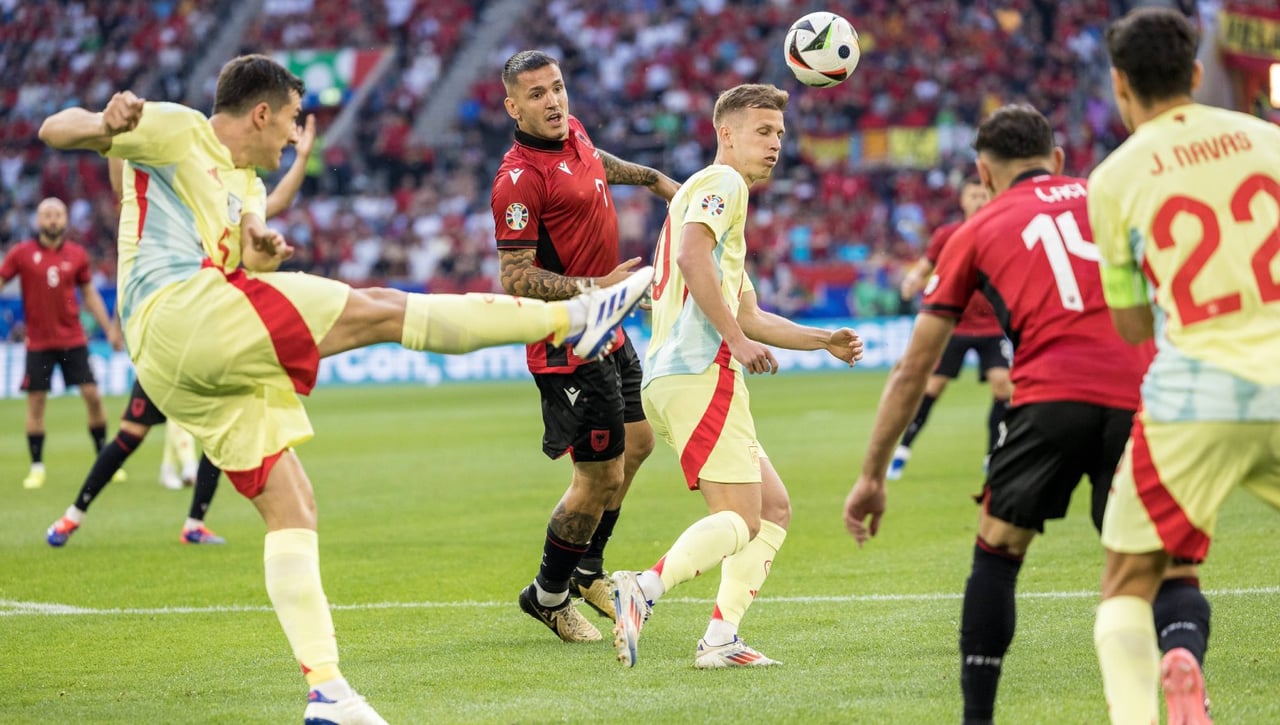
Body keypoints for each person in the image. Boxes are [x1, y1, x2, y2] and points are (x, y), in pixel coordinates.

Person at [39, 53, 652, 723]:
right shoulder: (180, 129)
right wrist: (105, 118)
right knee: (381, 310)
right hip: (181, 315)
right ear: (263, 112)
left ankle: (328, 691)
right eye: (294, 122)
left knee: (292, 502)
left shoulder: (243, 183)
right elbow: (55, 129)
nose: (295, 137)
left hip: (178, 361)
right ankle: (576, 315)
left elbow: (245, 244)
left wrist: (261, 251)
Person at [842, 104, 1211, 725]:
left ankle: (978, 718)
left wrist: (873, 475)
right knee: (1168, 563)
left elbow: (913, 369)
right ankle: (1181, 656)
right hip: (1144, 395)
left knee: (999, 549)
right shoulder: (1112, 196)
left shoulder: (977, 229)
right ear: (1059, 160)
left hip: (1047, 397)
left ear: (984, 174)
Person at [608, 83, 862, 669]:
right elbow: (694, 262)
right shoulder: (722, 184)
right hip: (703, 371)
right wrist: (736, 341)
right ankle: (642, 590)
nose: (776, 144)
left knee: (772, 509)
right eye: (762, 132)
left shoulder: (700, 196)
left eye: (779, 133)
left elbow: (747, 311)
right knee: (742, 518)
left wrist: (823, 340)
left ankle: (721, 639)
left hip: (676, 376)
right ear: (727, 134)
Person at [1089, 9, 1279, 724]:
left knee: (1128, 582)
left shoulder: (1112, 179)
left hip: (1195, 393)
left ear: (1120, 85)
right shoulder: (1270, 142)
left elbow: (1133, 323)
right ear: (1197, 74)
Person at [44, 119, 322, 549]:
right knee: (131, 436)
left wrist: (301, 158)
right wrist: (116, 136)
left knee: (217, 435)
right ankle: (72, 515)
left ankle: (193, 522)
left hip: (215, 329)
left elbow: (275, 202)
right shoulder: (166, 212)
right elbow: (120, 178)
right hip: (173, 333)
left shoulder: (238, 201)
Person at [491, 50, 680, 642]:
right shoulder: (517, 180)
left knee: (641, 442)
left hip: (611, 325)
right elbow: (515, 275)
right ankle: (548, 595)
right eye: (537, 94)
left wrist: (651, 179)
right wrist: (595, 286)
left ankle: (589, 570)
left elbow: (596, 165)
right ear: (513, 106)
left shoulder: (572, 133)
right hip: (566, 342)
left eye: (557, 88)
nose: (553, 101)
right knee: (595, 479)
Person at [890, 178, 1011, 479]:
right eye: (974, 195)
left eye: (985, 194)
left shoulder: (1002, 231)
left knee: (1003, 386)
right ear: (962, 200)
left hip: (992, 325)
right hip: (954, 324)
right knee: (933, 387)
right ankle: (903, 449)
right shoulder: (948, 235)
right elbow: (926, 264)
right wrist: (913, 280)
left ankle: (992, 455)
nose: (980, 200)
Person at [1, 196, 124, 489]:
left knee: (93, 396)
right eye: (47, 214)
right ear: (38, 220)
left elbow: (90, 294)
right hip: (38, 343)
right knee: (36, 403)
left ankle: (102, 459)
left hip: (73, 339)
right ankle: (37, 466)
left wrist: (109, 328)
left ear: (66, 220)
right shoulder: (21, 254)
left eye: (58, 214)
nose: (53, 219)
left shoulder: (77, 255)